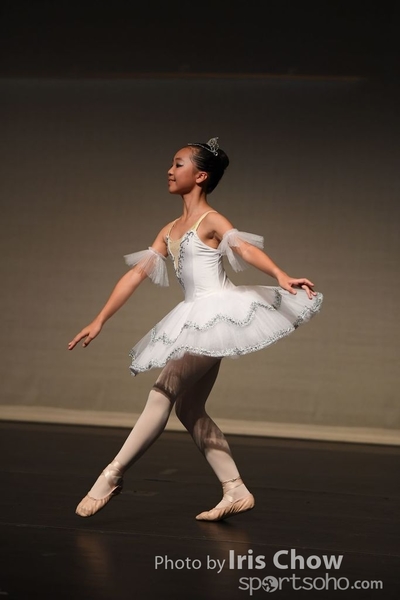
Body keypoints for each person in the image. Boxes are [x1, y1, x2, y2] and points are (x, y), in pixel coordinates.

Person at [68, 137, 323, 522]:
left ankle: (112, 474)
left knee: (162, 392)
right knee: (189, 407)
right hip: (196, 317)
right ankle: (235, 488)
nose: (170, 171)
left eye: (178, 164)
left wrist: (280, 274)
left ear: (200, 175)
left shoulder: (212, 220)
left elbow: (243, 249)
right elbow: (135, 275)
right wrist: (100, 318)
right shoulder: (169, 229)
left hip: (213, 314)